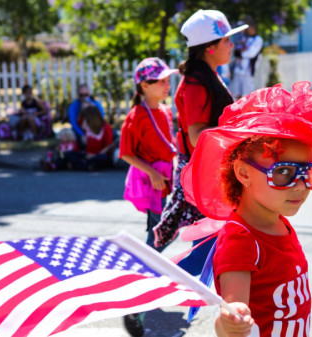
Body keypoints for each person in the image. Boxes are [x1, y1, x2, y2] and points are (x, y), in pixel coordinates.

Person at [179, 83, 312, 337]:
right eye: (283, 172)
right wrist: (231, 321)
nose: (300, 185)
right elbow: (230, 314)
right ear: (243, 173)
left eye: (307, 172)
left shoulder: (278, 221)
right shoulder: (240, 239)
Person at [153, 10, 248, 276]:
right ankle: (146, 283)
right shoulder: (196, 83)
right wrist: (238, 130)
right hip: (199, 174)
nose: (231, 45)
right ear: (209, 48)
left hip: (209, 170)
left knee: (208, 249)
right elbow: (196, 135)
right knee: (199, 254)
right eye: (226, 40)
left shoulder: (209, 75)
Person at [118, 57, 177, 337]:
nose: (167, 84)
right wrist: (152, 172)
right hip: (152, 182)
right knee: (162, 233)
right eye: (162, 81)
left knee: (162, 231)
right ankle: (138, 279)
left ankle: (142, 267)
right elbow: (126, 153)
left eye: (168, 79)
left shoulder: (165, 110)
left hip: (167, 179)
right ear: (144, 85)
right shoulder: (135, 116)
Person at [230, 16, 263, 99]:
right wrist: (239, 52)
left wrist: (240, 53)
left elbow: (251, 53)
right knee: (236, 95)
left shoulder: (258, 39)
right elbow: (236, 50)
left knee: (247, 96)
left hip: (248, 72)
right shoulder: (244, 38)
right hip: (238, 71)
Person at [68, 83, 105, 148]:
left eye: (86, 95)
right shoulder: (73, 107)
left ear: (89, 94)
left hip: (95, 129)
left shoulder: (96, 104)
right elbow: (74, 123)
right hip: (81, 132)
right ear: (78, 95)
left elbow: (102, 119)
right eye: (81, 95)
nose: (84, 97)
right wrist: (82, 134)